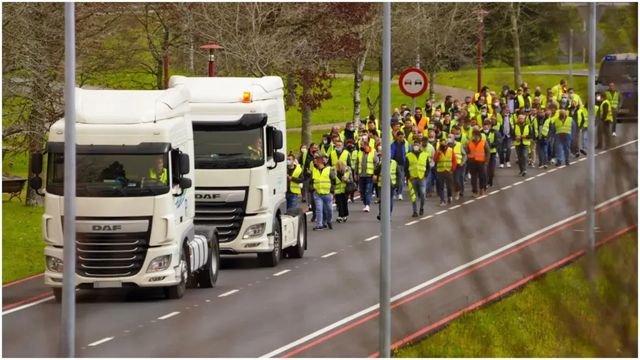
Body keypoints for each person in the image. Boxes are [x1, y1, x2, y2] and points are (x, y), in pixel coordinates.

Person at [310, 154, 335, 230]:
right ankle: (319, 224)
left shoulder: (329, 170)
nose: (314, 163)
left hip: (327, 193)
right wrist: (312, 188)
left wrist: (332, 191)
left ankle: (329, 221)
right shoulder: (314, 170)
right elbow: (311, 181)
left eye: (316, 162)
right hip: (317, 193)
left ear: (320, 162)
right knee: (319, 209)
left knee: (329, 209)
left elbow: (333, 180)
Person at [406, 140, 428, 217]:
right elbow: (406, 168)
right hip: (413, 178)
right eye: (414, 145)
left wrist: (425, 175)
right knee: (413, 195)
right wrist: (408, 177)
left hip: (422, 178)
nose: (416, 146)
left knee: (423, 194)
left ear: (420, 146)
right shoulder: (408, 155)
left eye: (417, 145)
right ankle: (415, 211)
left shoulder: (425, 155)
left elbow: (428, 166)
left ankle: (421, 208)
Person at [374, 147, 397, 221]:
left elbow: (399, 174)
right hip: (381, 184)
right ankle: (381, 214)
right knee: (382, 199)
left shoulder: (394, 163)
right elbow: (376, 172)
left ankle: (388, 215)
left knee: (389, 200)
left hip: (391, 184)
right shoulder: (381, 163)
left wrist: (397, 184)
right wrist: (380, 164)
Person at [433, 137, 457, 206]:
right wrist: (438, 153)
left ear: (446, 143)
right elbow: (435, 159)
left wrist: (453, 169)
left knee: (449, 186)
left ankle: (449, 196)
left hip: (448, 171)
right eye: (441, 143)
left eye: (444, 143)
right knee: (441, 186)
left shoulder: (450, 150)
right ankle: (442, 200)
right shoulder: (438, 151)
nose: (443, 145)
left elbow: (454, 160)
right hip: (440, 171)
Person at [466, 129, 490, 196]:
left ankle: (482, 189)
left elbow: (488, 151)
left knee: (482, 177)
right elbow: (467, 151)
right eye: (473, 135)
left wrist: (486, 161)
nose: (474, 137)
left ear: (479, 136)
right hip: (472, 162)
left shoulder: (484, 142)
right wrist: (468, 156)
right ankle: (474, 191)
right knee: (473, 178)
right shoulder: (469, 143)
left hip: (481, 162)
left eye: (475, 136)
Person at [357, 141, 377, 212]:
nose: (361, 147)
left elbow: (376, 164)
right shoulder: (359, 153)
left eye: (362, 145)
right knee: (362, 191)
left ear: (366, 146)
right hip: (361, 175)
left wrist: (375, 174)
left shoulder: (373, 153)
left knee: (368, 191)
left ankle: (367, 205)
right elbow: (357, 163)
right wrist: (356, 174)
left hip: (369, 175)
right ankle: (365, 203)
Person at [390, 130, 409, 200]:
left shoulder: (406, 144)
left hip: (402, 164)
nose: (401, 138)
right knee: (394, 179)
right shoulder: (393, 145)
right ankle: (394, 192)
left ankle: (400, 193)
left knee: (401, 179)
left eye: (402, 137)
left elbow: (409, 152)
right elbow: (391, 154)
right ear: (397, 137)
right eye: (400, 137)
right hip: (394, 164)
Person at [482, 120, 499, 187]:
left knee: (491, 169)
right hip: (483, 154)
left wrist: (490, 145)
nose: (486, 127)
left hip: (492, 153)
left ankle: (490, 180)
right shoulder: (480, 133)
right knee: (485, 169)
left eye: (488, 126)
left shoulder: (494, 132)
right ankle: (485, 182)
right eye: (485, 126)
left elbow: (497, 142)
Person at [450, 129, 466, 200]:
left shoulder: (459, 144)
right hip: (449, 165)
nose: (449, 139)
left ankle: (458, 192)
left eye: (450, 137)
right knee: (452, 180)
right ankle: (456, 190)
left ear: (454, 138)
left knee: (457, 179)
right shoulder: (447, 146)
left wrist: (462, 162)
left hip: (458, 165)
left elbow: (465, 155)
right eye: (448, 137)